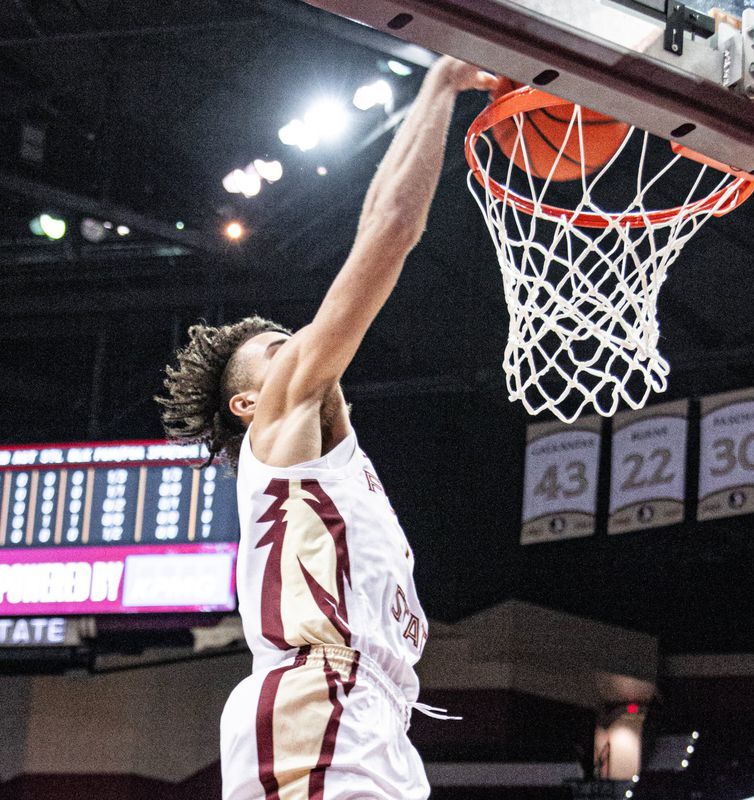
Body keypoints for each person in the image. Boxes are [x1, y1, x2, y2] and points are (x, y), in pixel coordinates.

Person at [157, 55, 495, 800]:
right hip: (316, 699)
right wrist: (440, 86)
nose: (305, 348)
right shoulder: (277, 430)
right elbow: (391, 229)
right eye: (280, 353)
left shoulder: (336, 460)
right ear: (249, 405)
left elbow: (379, 216)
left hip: (374, 712)